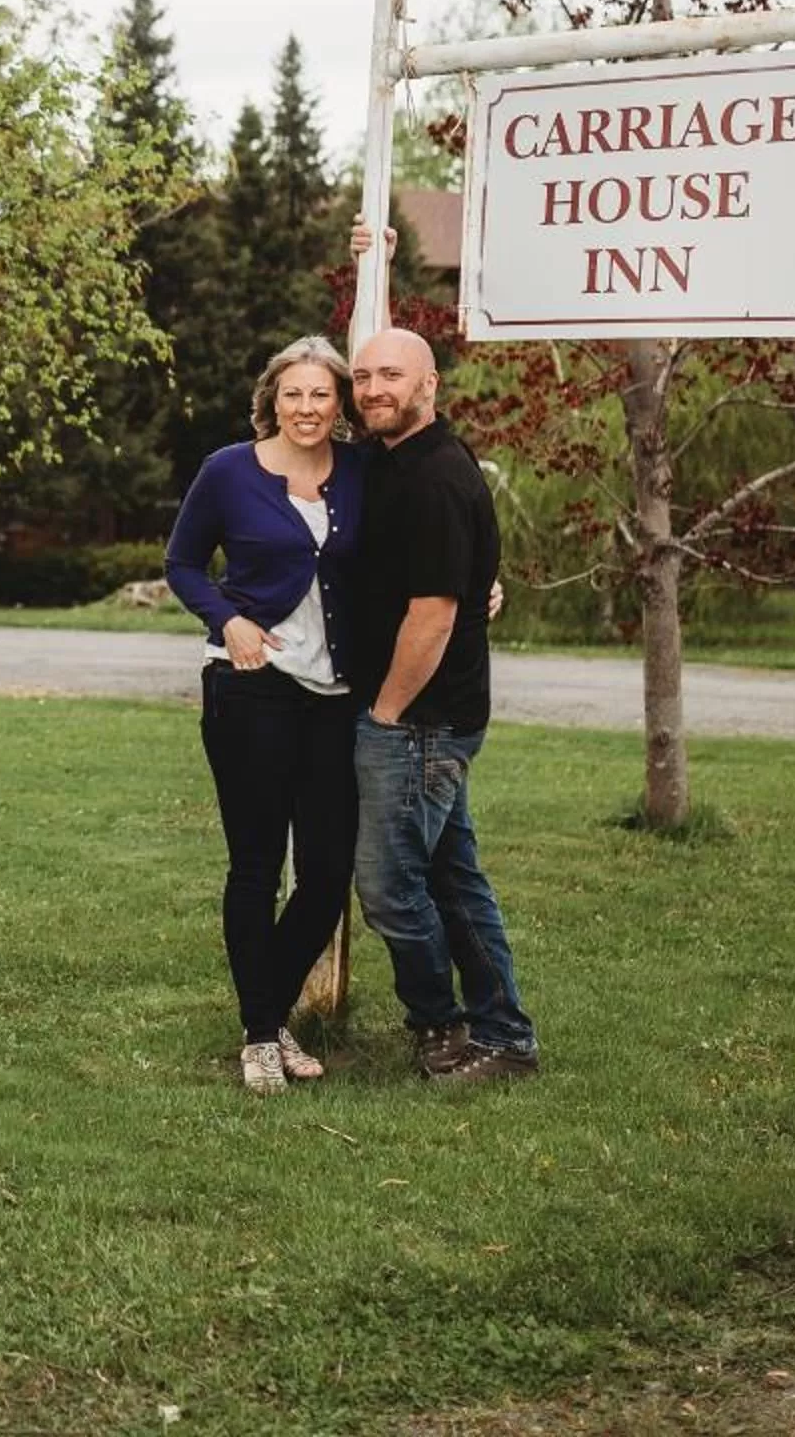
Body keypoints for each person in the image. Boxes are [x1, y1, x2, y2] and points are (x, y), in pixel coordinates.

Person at [167, 336, 370, 1096]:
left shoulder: (360, 473)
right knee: (255, 865)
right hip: (249, 686)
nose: (307, 408)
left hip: (333, 695)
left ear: (338, 403)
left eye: (321, 395)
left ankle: (267, 1011)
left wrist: (479, 581)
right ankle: (260, 1036)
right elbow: (182, 563)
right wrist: (229, 620)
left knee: (326, 871)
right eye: (294, 395)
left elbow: (414, 538)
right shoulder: (228, 471)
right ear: (272, 400)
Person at [342, 326, 539, 1084]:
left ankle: (444, 1029)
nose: (373, 389)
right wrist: (377, 254)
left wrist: (385, 715)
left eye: (391, 375)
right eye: (362, 377)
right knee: (453, 879)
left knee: (392, 890)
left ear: (430, 387)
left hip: (420, 723)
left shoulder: (435, 480)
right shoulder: (390, 460)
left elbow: (433, 617)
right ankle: (506, 1034)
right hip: (427, 720)